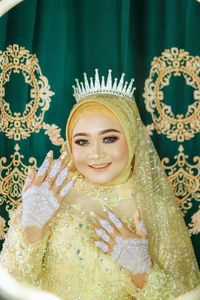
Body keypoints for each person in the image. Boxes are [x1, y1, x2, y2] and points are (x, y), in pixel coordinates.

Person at [0, 69, 199, 299]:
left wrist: (143, 273)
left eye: (109, 138)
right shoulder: (48, 199)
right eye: (82, 141)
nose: (95, 153)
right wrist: (32, 226)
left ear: (132, 138)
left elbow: (187, 295)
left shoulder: (156, 210)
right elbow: (10, 288)